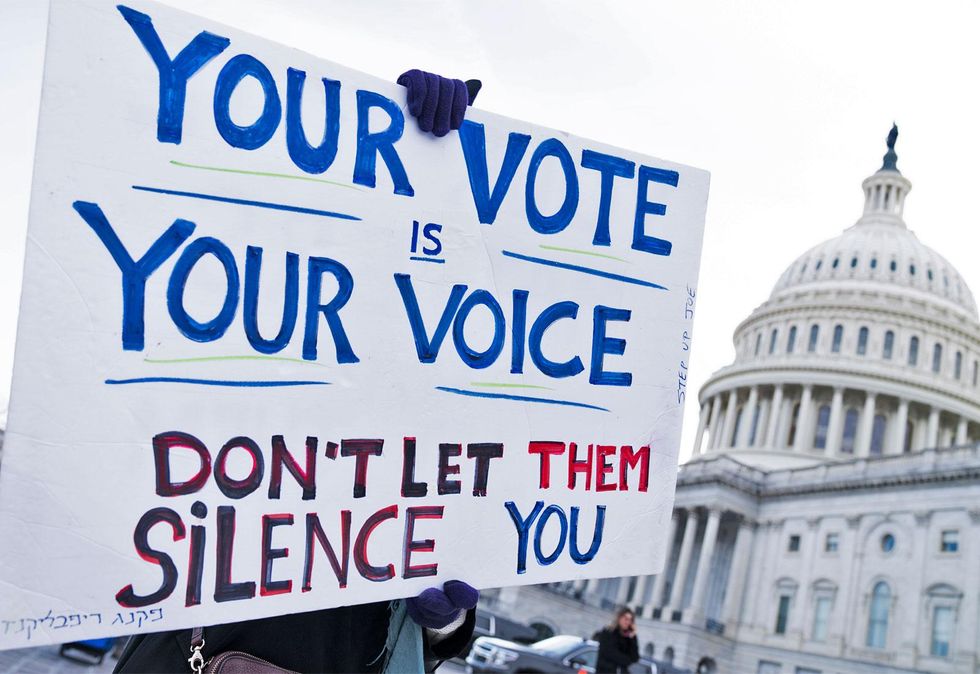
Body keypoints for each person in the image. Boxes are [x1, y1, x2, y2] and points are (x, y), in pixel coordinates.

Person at [114, 70, 482, 674]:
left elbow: (445, 621)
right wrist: (402, 156)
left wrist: (447, 622)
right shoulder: (235, 368)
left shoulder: (442, 427)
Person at [592, 607, 640, 674]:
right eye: (626, 619)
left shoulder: (628, 638)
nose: (628, 622)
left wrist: (633, 637)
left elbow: (635, 658)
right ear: (619, 618)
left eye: (630, 620)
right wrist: (627, 660)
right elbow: (610, 654)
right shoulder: (608, 632)